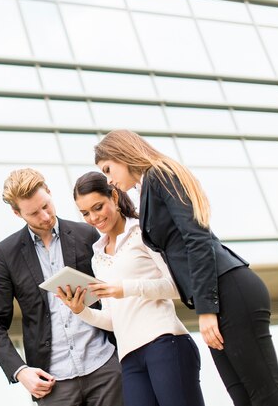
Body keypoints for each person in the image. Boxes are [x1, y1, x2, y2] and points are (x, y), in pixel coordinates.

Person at [94, 129, 278, 406]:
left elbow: (197, 239)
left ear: (122, 154)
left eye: (108, 169)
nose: (110, 180)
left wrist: (207, 308)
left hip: (229, 290)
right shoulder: (150, 189)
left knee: (267, 397)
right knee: (243, 398)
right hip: (219, 295)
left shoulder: (160, 174)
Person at [57, 171, 204, 406]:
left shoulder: (142, 232)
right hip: (129, 358)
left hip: (165, 343)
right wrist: (80, 310)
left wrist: (126, 288)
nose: (93, 218)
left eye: (98, 207)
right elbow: (113, 319)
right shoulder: (98, 257)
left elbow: (178, 286)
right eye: (85, 213)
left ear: (114, 197)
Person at [0, 168, 123, 406]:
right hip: (52, 382)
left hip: (105, 367)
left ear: (49, 191)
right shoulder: (7, 254)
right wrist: (20, 371)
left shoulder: (87, 233)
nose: (45, 216)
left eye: (46, 205)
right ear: (17, 213)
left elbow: (114, 290)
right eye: (34, 213)